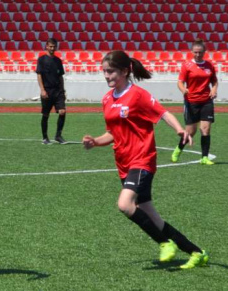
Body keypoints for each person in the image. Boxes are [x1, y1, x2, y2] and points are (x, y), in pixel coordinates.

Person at [82, 50, 208, 269]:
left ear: (124, 71)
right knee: (153, 217)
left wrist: (180, 129)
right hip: (124, 164)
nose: (106, 76)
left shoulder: (138, 95)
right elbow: (111, 133)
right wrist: (95, 141)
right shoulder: (106, 100)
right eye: (103, 71)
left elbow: (162, 113)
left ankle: (164, 243)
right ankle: (196, 252)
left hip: (142, 159)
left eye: (110, 71)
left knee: (124, 204)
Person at [171, 39, 218, 165]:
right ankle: (178, 149)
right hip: (191, 101)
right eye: (196, 52)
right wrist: (183, 90)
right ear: (192, 52)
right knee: (191, 132)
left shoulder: (209, 65)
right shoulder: (187, 65)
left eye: (200, 52)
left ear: (204, 52)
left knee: (206, 129)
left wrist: (214, 89)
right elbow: (180, 81)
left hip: (206, 101)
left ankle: (204, 157)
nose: (198, 55)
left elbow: (214, 81)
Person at [35, 38, 67, 144]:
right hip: (47, 91)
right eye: (50, 46)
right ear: (46, 46)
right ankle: (45, 137)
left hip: (58, 91)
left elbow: (60, 77)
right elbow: (39, 75)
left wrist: (63, 90)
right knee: (46, 115)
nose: (52, 48)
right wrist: (42, 90)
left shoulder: (58, 61)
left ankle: (58, 135)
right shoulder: (42, 60)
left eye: (54, 46)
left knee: (62, 112)